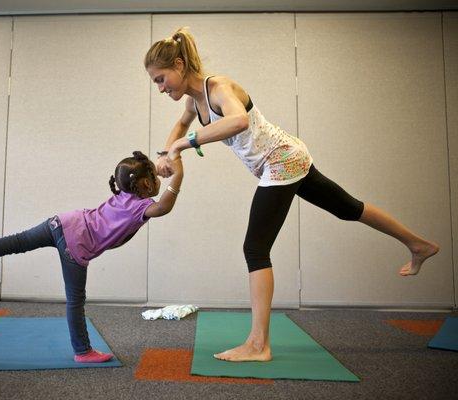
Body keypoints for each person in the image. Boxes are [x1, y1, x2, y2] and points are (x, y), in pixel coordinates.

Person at [144, 27, 439, 362]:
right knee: (348, 208)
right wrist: (166, 152)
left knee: (255, 247)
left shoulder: (218, 87)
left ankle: (258, 344)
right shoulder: (194, 101)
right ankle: (418, 245)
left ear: (180, 65)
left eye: (160, 79)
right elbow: (181, 126)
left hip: (281, 161)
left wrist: (185, 144)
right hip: (288, 156)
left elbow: (238, 121)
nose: (160, 87)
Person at [0, 151, 183, 363]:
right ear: (144, 184)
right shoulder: (139, 207)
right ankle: (83, 351)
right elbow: (163, 207)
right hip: (76, 245)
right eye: (154, 176)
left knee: (14, 242)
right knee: (75, 300)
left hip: (63, 221)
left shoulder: (125, 195)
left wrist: (165, 158)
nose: (158, 179)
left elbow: (142, 178)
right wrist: (178, 176)